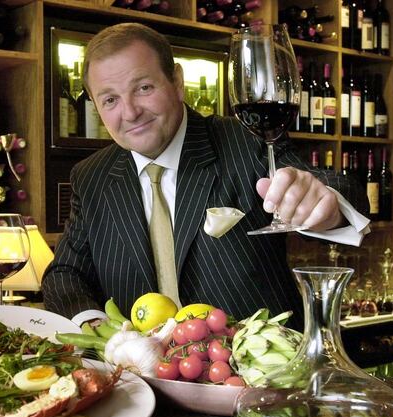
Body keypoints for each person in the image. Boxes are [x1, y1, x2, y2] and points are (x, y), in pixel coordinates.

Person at [42, 23, 370, 329]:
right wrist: (96, 329)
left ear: (177, 82)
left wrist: (326, 205)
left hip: (259, 365)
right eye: (110, 99)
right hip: (142, 369)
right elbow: (64, 273)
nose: (130, 112)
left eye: (143, 88)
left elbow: (334, 186)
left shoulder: (246, 141)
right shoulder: (92, 176)